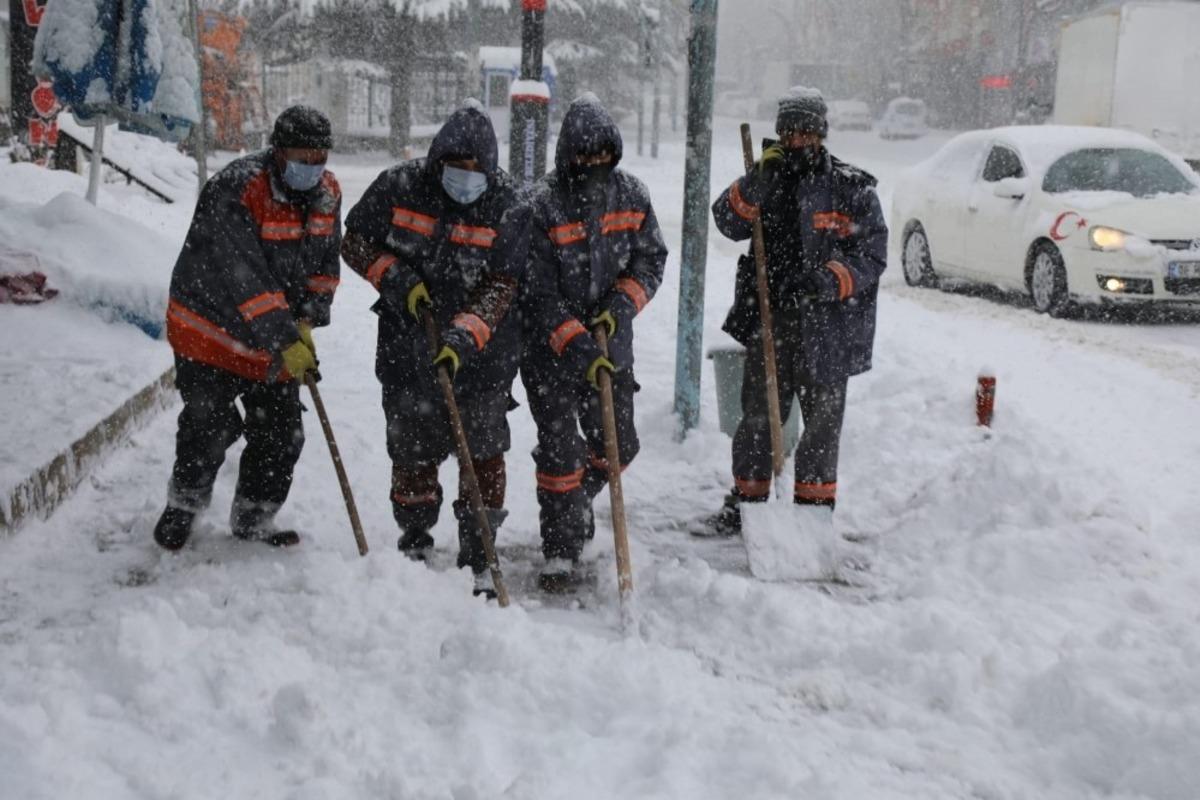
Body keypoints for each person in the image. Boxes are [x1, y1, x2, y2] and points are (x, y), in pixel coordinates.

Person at [340, 102, 527, 595]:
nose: (465, 177)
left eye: (475, 169)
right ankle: (415, 538)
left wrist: (463, 337)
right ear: (436, 160)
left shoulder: (508, 203)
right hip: (408, 341)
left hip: (484, 353)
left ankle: (480, 550)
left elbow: (503, 283)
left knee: (483, 450)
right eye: (455, 166)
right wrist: (400, 281)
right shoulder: (400, 187)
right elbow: (355, 241)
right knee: (412, 445)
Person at [700, 87, 887, 536]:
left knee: (822, 423)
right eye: (790, 131)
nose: (797, 140)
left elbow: (872, 254)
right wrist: (755, 183)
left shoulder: (849, 187)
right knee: (760, 416)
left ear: (821, 133)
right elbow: (727, 222)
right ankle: (749, 502)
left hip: (828, 326)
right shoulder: (766, 177)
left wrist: (828, 278)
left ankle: (813, 512)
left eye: (806, 131)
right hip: (771, 320)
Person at [153, 106, 341, 550]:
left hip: (273, 334)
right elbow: (243, 276)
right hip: (210, 327)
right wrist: (285, 336)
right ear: (278, 151)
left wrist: (309, 319)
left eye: (320, 159)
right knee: (209, 424)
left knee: (280, 429)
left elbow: (323, 263)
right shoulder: (237, 188)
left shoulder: (327, 193)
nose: (311, 168)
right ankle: (183, 507)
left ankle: (254, 517)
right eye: (302, 156)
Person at [520, 94, 669, 591]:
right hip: (552, 352)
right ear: (568, 155)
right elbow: (536, 294)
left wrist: (621, 306)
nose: (595, 165)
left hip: (612, 347)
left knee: (619, 444)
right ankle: (560, 550)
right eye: (585, 156)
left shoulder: (632, 196)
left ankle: (579, 499)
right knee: (561, 452)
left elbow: (650, 261)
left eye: (603, 155)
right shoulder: (541, 204)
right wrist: (579, 345)